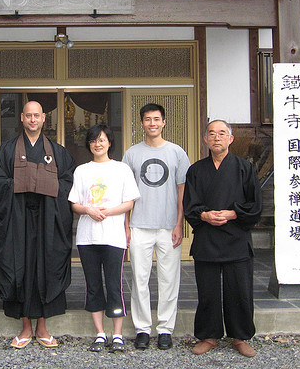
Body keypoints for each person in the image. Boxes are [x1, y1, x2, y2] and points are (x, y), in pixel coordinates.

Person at [0, 100, 76, 349]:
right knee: (19, 269)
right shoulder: (5, 151)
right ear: (22, 119)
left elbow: (69, 183)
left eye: (37, 115)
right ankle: (26, 326)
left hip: (49, 220)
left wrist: (40, 182)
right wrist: (24, 181)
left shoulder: (58, 152)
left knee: (47, 267)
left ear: (44, 118)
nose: (33, 120)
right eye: (29, 116)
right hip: (17, 221)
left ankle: (43, 327)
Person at [183, 119, 262, 358]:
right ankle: (209, 336)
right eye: (212, 134)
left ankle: (240, 337)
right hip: (207, 237)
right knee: (208, 290)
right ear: (205, 139)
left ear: (231, 139)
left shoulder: (244, 168)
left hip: (236, 237)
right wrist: (204, 215)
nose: (217, 138)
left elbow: (256, 205)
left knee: (239, 290)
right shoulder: (196, 170)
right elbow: (189, 205)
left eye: (222, 133)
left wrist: (233, 213)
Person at [122, 103, 190, 351]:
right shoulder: (131, 154)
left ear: (164, 122)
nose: (152, 123)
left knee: (169, 279)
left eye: (156, 119)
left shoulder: (177, 153)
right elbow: (125, 193)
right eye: (148, 119)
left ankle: (164, 329)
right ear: (141, 123)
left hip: (167, 226)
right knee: (139, 279)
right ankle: (142, 328)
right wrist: (126, 225)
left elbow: (182, 191)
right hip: (139, 225)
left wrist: (179, 223)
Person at [68, 124, 140, 353]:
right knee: (93, 285)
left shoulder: (121, 169)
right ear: (88, 144)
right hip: (87, 238)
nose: (98, 144)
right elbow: (74, 203)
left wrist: (107, 212)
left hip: (113, 236)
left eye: (102, 140)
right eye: (93, 140)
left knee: (114, 284)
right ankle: (100, 333)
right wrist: (89, 210)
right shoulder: (81, 171)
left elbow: (129, 202)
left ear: (110, 142)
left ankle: (117, 334)